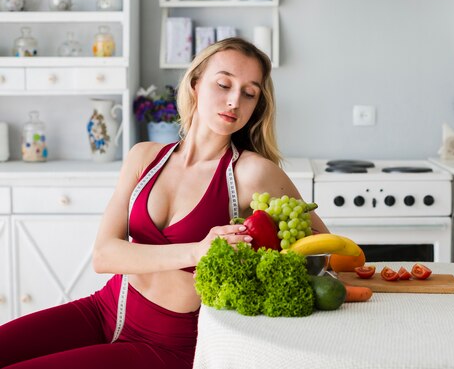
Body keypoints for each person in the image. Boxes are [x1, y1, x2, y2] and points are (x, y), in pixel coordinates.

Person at [0, 37, 329, 369]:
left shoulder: (252, 173)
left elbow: (326, 252)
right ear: (196, 83)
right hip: (103, 309)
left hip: (166, 346)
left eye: (249, 93)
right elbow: (104, 255)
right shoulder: (144, 157)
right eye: (223, 84)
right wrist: (197, 250)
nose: (233, 101)